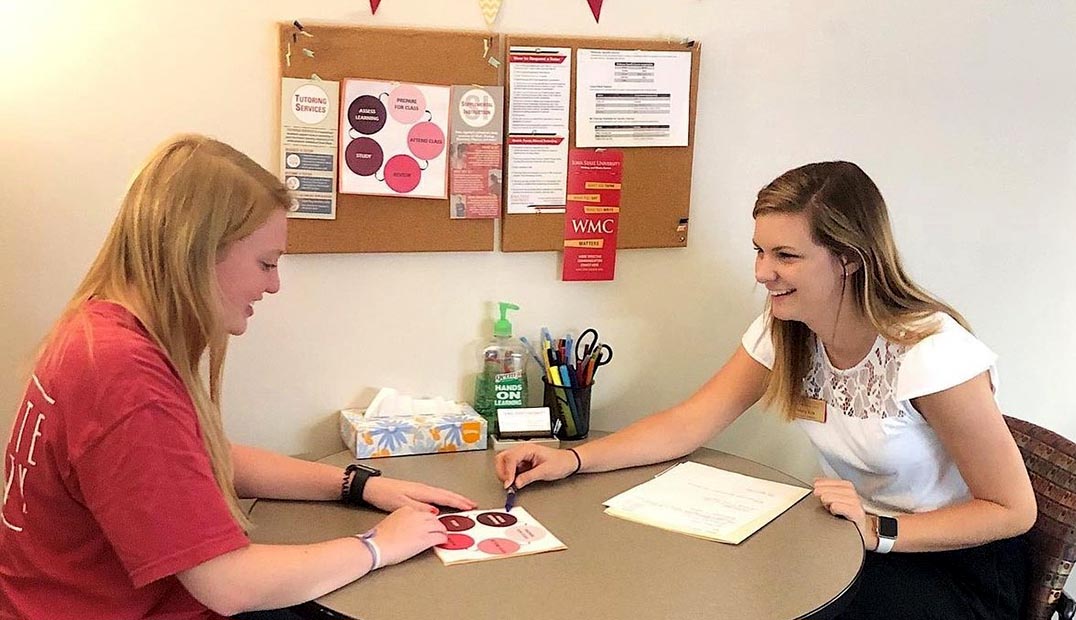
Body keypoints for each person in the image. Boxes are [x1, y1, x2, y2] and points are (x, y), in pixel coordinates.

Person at [496, 161, 1036, 620]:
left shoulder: (930, 351)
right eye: (759, 251)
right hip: (852, 539)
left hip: (953, 565)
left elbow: (1012, 509)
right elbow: (690, 422)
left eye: (785, 255)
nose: (763, 272)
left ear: (849, 257)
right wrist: (572, 460)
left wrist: (878, 529)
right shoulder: (789, 326)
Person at [0, 134, 477, 620]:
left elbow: (201, 459)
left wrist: (359, 485)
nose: (273, 284)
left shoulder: (95, 329)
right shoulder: (122, 374)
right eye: (266, 263)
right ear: (195, 252)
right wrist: (379, 545)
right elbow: (228, 584)